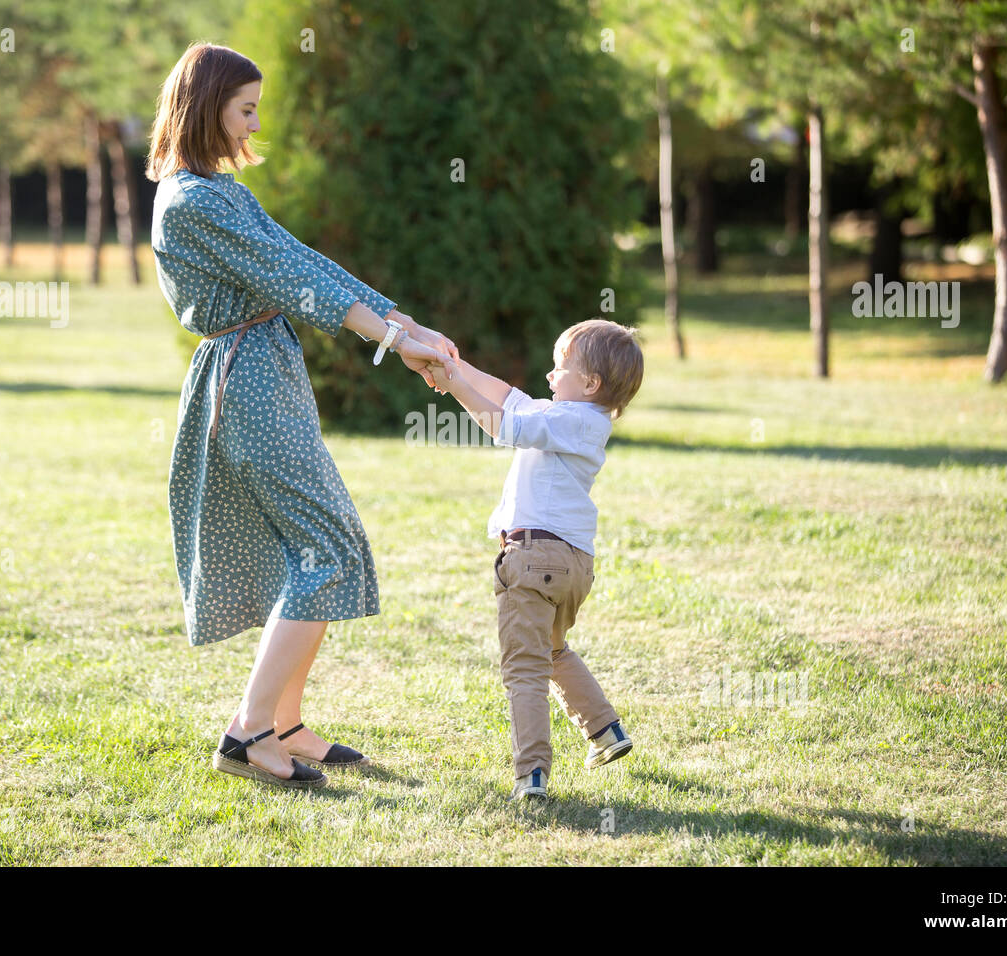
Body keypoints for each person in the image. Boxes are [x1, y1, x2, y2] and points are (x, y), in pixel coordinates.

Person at [146, 42, 459, 789]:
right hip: (244, 378)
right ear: (205, 108)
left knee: (324, 542)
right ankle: (247, 731)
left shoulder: (218, 190)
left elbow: (301, 257)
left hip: (266, 369)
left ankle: (285, 722)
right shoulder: (192, 202)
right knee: (324, 548)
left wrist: (398, 320)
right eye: (245, 108)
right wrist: (393, 341)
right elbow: (290, 280)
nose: (256, 121)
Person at [426, 318, 644, 800]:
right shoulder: (574, 415)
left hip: (533, 557)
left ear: (590, 383)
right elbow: (508, 397)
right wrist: (458, 367)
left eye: (559, 367)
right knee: (550, 649)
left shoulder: (575, 421)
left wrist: (455, 385)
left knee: (524, 667)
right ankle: (605, 732)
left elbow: (505, 425)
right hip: (570, 565)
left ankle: (532, 774)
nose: (549, 375)